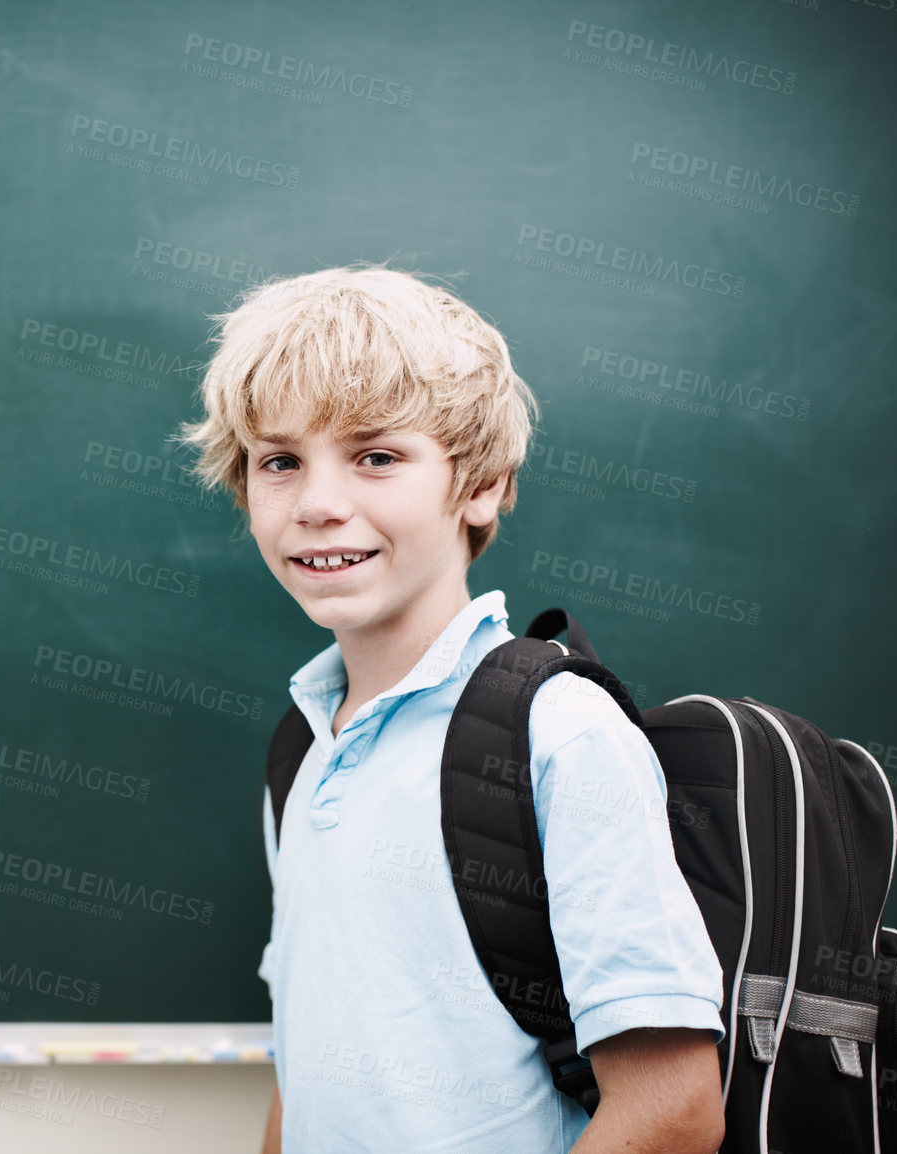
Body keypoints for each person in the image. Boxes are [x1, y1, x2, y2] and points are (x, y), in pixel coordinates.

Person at [178, 267, 727, 1153]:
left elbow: (673, 1112)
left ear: (479, 484)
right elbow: (311, 1066)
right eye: (279, 461)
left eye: (377, 456)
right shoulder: (305, 749)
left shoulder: (559, 735)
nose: (318, 505)